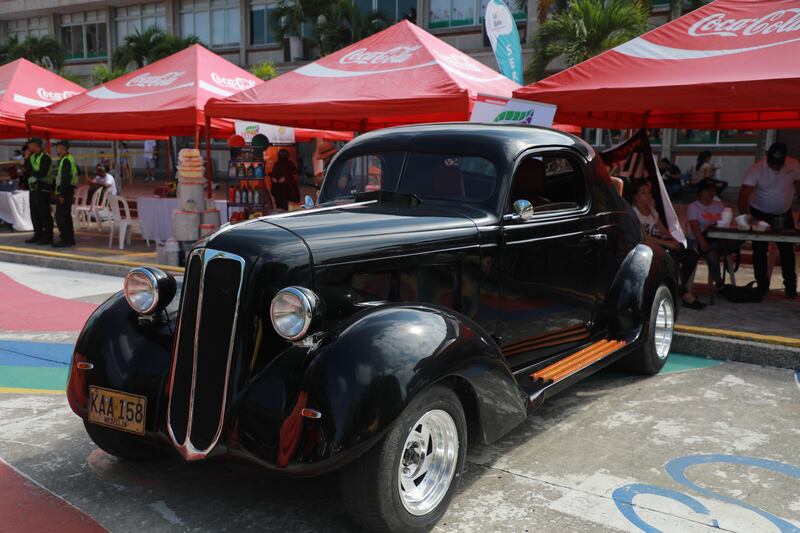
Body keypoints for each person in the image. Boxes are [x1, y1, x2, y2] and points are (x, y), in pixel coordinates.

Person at [738, 142, 800, 298]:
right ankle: (762, 285)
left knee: (787, 249)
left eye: (779, 165)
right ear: (767, 158)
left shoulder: (794, 164)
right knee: (759, 249)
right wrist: (749, 218)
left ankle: (791, 287)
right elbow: (743, 196)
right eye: (773, 165)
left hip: (783, 213)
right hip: (760, 213)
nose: (776, 168)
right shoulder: (757, 169)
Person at [631, 180, 705, 309]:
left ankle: (679, 288)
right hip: (646, 246)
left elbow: (664, 230)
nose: (648, 195)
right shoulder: (634, 212)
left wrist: (673, 241)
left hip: (660, 243)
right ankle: (685, 294)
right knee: (671, 258)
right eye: (643, 193)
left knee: (691, 255)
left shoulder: (652, 210)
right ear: (635, 196)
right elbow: (644, 237)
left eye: (649, 193)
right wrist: (666, 243)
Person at [687, 179, 738, 289]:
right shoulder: (694, 207)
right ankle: (719, 284)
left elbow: (729, 223)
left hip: (718, 240)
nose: (711, 193)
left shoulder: (719, 205)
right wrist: (702, 242)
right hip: (699, 240)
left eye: (713, 191)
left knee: (733, 242)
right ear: (700, 192)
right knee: (711, 254)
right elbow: (695, 227)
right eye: (708, 191)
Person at [23, 137, 55, 245]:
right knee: (34, 213)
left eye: (30, 144)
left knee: (44, 213)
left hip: (43, 188)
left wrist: (31, 171)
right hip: (34, 189)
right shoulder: (32, 157)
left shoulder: (45, 157)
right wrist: (27, 159)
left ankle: (48, 236)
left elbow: (41, 173)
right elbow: (27, 170)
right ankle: (38, 234)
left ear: (35, 145)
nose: (28, 147)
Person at [53, 140, 78, 248]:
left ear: (63, 148)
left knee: (61, 216)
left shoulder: (66, 160)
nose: (56, 150)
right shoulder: (69, 158)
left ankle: (66, 239)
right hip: (68, 190)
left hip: (65, 191)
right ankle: (69, 239)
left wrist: (61, 194)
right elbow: (78, 171)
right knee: (65, 216)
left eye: (58, 148)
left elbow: (65, 178)